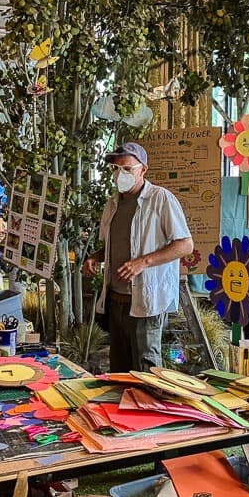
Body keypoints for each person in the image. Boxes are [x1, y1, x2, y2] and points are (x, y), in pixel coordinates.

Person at [83, 142, 193, 372]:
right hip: (116, 301)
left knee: (146, 369)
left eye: (126, 169)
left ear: (143, 169)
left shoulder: (160, 199)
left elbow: (185, 245)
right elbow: (113, 245)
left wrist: (143, 262)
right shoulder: (112, 204)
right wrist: (95, 257)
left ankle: (150, 397)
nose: (119, 175)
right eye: (115, 169)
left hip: (147, 302)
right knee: (119, 370)